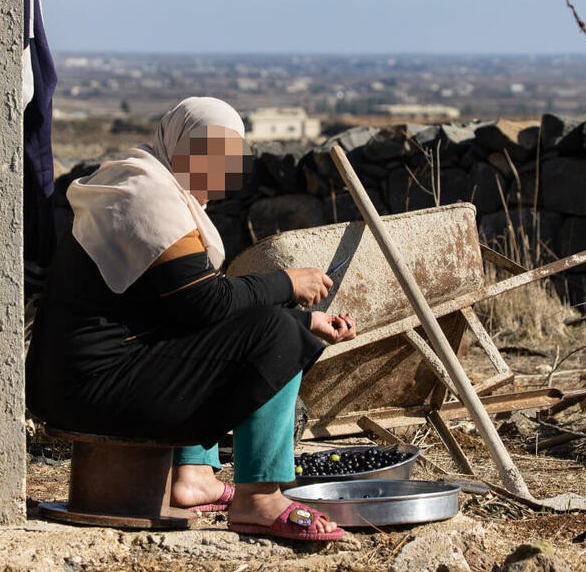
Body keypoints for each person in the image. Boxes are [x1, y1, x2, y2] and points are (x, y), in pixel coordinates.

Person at [26, 97, 357, 541]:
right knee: (273, 332)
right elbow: (205, 304)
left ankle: (195, 475)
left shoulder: (147, 187)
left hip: (85, 383)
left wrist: (304, 322)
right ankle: (259, 498)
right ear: (178, 145)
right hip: (90, 388)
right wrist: (286, 285)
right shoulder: (144, 195)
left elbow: (185, 313)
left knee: (280, 325)